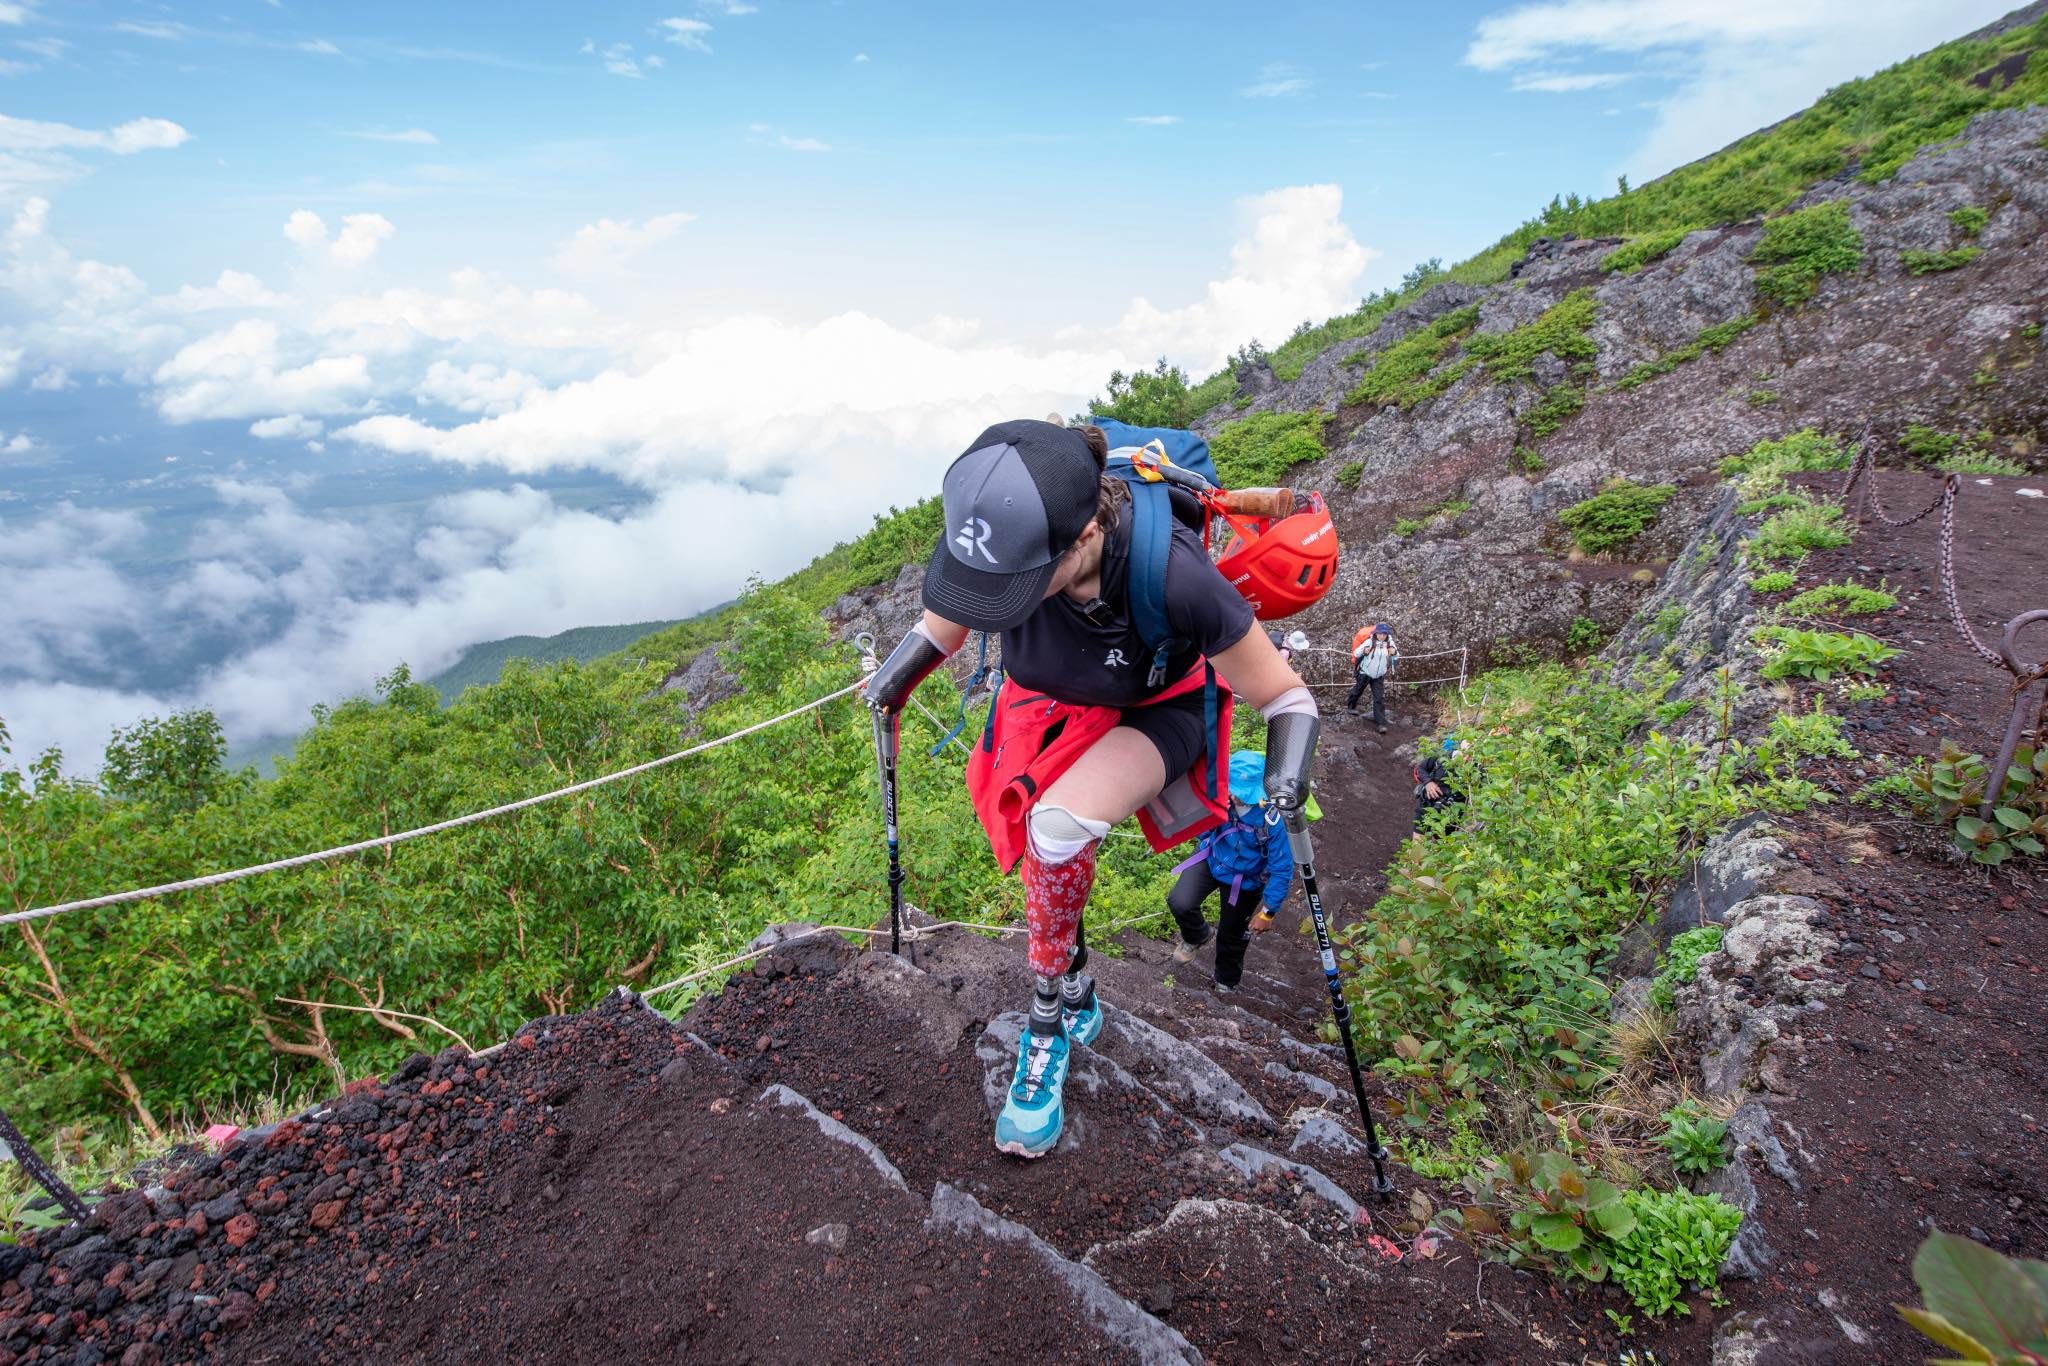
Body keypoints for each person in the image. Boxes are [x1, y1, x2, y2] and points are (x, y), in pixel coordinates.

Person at [862, 418, 1320, 1159]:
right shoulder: (1006, 541)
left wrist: (1285, 779)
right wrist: (892, 683)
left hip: (1159, 707)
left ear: (1079, 540)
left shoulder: (1173, 576)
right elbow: (943, 624)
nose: (991, 600)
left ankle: (1047, 1020)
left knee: (1057, 827)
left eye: (1007, 588)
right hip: (1057, 698)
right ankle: (1073, 980)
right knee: (1026, 836)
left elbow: (1287, 698)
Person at [1165, 752, 1295, 995]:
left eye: (1238, 792)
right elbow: (1197, 829)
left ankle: (1226, 982)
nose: (1233, 795)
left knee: (1232, 933)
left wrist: (1268, 912)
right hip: (1213, 858)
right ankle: (1197, 935)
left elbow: (1282, 869)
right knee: (1180, 901)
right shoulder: (1218, 798)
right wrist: (1211, 815)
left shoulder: (1272, 820)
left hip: (1246, 878)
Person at [1347, 622, 1399, 733]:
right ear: (1376, 633)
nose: (1382, 636)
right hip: (1365, 672)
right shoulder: (1370, 641)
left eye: (1384, 634)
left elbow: (1396, 655)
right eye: (1380, 633)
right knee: (1358, 690)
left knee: (1379, 698)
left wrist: (1394, 652)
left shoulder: (1389, 642)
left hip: (1379, 675)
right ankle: (1351, 706)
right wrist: (1364, 650)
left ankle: (1381, 724)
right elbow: (1356, 653)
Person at [1412, 736, 1467, 832]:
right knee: (1418, 844)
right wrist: (1428, 783)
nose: (1467, 758)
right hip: (1427, 805)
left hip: (1452, 815)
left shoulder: (1476, 768)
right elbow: (1421, 768)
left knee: (1441, 844)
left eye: (1471, 755)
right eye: (1465, 753)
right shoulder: (1442, 756)